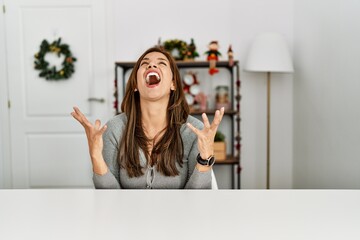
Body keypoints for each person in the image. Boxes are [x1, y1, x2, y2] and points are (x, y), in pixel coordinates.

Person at [71, 46, 224, 189]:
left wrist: (205, 158)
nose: (151, 66)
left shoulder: (193, 130)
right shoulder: (114, 128)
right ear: (136, 85)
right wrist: (96, 156)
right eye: (145, 64)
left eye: (161, 63)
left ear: (173, 84)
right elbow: (109, 197)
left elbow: (198, 199)